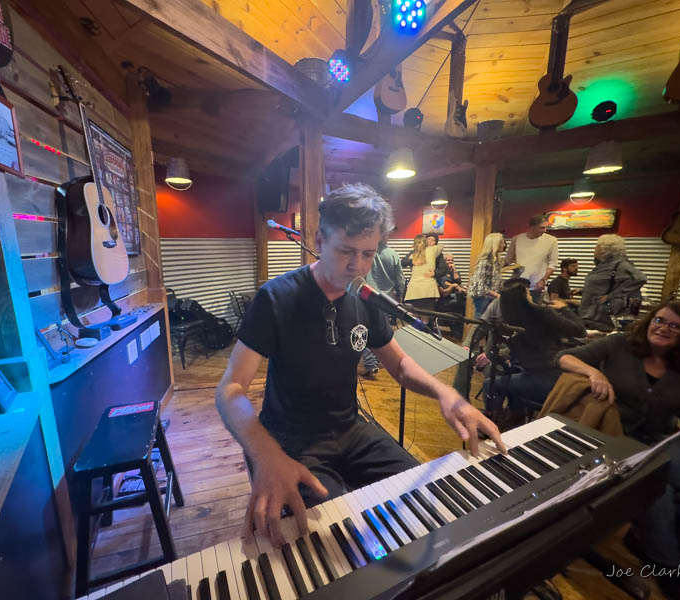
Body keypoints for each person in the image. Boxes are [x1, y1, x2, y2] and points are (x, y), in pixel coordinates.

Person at [215, 183, 506, 548]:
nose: (357, 266)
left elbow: (398, 366)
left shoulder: (364, 297)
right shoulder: (276, 297)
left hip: (350, 430)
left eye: (368, 254)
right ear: (319, 240)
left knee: (422, 501)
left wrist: (447, 394)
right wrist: (267, 456)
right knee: (331, 540)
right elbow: (230, 390)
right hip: (291, 440)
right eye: (346, 251)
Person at [557, 301, 680, 589]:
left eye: (675, 325)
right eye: (660, 320)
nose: (663, 327)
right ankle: (668, 568)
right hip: (616, 437)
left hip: (663, 436)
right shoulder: (620, 344)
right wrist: (595, 373)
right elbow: (564, 357)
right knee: (657, 496)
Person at [481, 281, 585, 423]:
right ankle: (508, 420)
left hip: (544, 377)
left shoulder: (508, 323)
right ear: (523, 298)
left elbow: (494, 353)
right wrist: (565, 308)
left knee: (492, 383)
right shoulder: (542, 313)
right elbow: (580, 330)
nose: (531, 296)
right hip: (555, 377)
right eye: (528, 293)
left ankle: (497, 421)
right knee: (504, 379)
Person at [579, 234, 646, 331]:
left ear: (604, 249)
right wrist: (583, 291)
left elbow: (639, 279)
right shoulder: (604, 265)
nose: (594, 249)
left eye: (597, 246)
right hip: (590, 315)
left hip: (601, 319)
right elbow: (605, 284)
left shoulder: (620, 264)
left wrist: (610, 296)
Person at [361, 238, 405, 376]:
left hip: (369, 295)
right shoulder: (393, 254)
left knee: (364, 328)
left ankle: (370, 363)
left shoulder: (366, 253)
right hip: (388, 299)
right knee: (382, 328)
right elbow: (400, 278)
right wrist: (401, 294)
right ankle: (378, 360)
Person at [505, 215, 558, 302]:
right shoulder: (517, 239)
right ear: (531, 227)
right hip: (517, 285)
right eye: (541, 228)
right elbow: (508, 259)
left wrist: (543, 280)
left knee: (533, 313)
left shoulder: (551, 240)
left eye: (546, 227)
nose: (545, 230)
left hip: (536, 287)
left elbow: (553, 264)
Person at [404, 233, 444, 327]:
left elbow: (444, 269)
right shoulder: (433, 251)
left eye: (432, 240)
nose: (430, 241)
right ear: (425, 242)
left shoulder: (413, 254)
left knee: (414, 319)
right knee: (425, 319)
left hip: (414, 290)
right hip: (428, 290)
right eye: (428, 240)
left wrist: (435, 273)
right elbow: (442, 246)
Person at [469, 232, 505, 318]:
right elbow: (480, 285)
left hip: (491, 298)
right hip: (484, 299)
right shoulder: (485, 262)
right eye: (501, 242)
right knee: (480, 323)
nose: (504, 245)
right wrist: (496, 295)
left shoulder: (496, 262)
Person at [436, 253, 467, 338]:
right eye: (448, 260)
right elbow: (445, 285)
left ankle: (461, 330)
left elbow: (458, 282)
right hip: (445, 299)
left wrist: (454, 270)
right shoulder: (441, 273)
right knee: (462, 305)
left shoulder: (454, 272)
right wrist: (454, 285)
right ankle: (457, 329)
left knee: (465, 303)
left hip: (455, 297)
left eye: (452, 260)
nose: (450, 262)